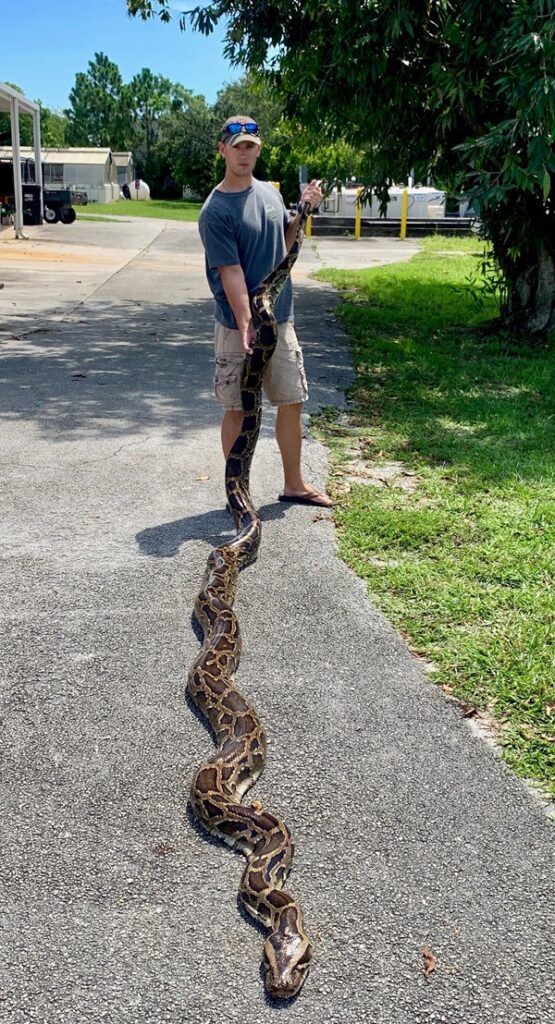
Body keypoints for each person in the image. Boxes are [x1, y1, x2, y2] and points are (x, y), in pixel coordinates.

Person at [198, 114, 334, 508]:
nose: (244, 154)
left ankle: (295, 484)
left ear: (258, 151)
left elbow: (284, 242)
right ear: (223, 149)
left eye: (250, 147)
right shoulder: (215, 211)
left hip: (281, 318)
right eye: (237, 146)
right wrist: (246, 323)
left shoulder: (270, 195)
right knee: (238, 408)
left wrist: (303, 212)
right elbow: (231, 273)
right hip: (237, 326)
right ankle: (238, 492)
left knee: (291, 399)